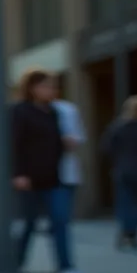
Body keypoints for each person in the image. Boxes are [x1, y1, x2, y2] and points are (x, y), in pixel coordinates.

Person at [12, 70, 89, 273]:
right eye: (45, 86)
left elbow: (57, 143)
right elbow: (15, 144)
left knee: (60, 220)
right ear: (32, 88)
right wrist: (19, 173)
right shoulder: (20, 111)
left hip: (54, 176)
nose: (51, 91)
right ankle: (15, 265)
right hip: (29, 177)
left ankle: (66, 268)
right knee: (28, 222)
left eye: (53, 86)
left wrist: (68, 144)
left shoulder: (53, 112)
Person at [101, 95, 137, 249]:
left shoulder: (117, 127)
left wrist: (116, 162)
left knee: (125, 202)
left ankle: (127, 230)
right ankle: (131, 231)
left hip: (122, 169)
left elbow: (106, 148)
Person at [52, 86, 86, 237]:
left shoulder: (67, 109)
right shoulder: (27, 110)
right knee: (30, 221)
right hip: (39, 172)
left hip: (64, 170)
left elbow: (78, 137)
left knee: (61, 217)